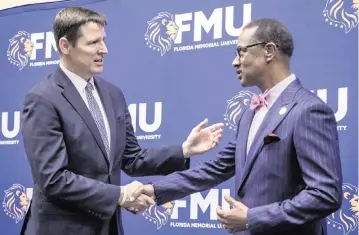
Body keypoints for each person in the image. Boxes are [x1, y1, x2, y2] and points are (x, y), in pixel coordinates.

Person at [20, 6, 224, 235]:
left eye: (103, 41)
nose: (104, 49)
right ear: (65, 46)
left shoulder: (112, 94)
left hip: (108, 228)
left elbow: (131, 159)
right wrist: (120, 195)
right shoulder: (42, 99)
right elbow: (54, 179)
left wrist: (184, 150)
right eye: (93, 43)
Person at [131, 18, 343, 235]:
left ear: (269, 51)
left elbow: (325, 194)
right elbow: (216, 168)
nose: (235, 62)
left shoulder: (308, 110)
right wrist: (156, 190)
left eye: (241, 51)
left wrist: (253, 218)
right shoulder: (249, 113)